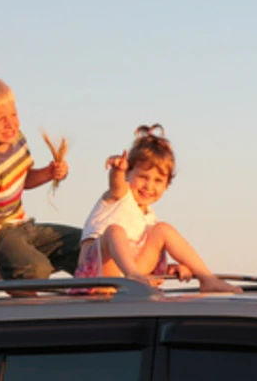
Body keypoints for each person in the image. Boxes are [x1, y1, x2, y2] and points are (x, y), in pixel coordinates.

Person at [73, 125, 239, 294]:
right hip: (101, 273)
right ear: (128, 173)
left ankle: (207, 278)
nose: (149, 186)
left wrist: (169, 268)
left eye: (158, 181)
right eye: (143, 177)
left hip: (130, 276)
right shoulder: (120, 197)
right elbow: (117, 185)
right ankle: (134, 276)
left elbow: (139, 251)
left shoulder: (149, 218)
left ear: (167, 185)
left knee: (162, 229)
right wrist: (117, 170)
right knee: (115, 231)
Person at [0, 75, 82, 285]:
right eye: (0, 119)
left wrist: (49, 172)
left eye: (13, 114)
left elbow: (23, 180)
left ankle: (12, 268)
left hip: (20, 228)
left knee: (86, 245)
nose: (10, 124)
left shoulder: (17, 140)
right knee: (34, 270)